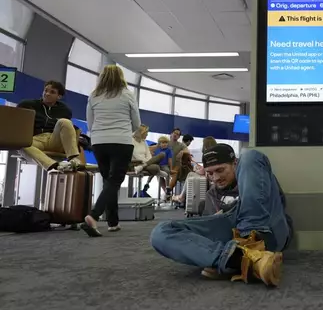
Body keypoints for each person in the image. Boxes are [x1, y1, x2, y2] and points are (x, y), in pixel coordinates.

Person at [150, 144, 292, 287]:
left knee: (251, 156)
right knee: (161, 232)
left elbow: (278, 203)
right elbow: (210, 235)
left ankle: (252, 241)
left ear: (235, 164)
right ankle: (239, 259)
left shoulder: (255, 176)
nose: (216, 178)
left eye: (220, 170)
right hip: (231, 239)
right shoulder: (211, 195)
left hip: (268, 229)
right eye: (210, 173)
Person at [81, 65, 141, 237]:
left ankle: (113, 222)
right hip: (121, 141)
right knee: (114, 180)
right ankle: (93, 215)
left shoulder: (94, 95)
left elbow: (90, 123)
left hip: (99, 142)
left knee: (109, 180)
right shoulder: (128, 94)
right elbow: (137, 123)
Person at [18, 80, 82, 171]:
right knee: (21, 144)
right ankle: (54, 165)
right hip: (37, 139)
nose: (47, 94)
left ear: (59, 96)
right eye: (45, 90)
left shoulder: (65, 110)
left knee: (65, 122)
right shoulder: (28, 105)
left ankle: (73, 158)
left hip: (54, 138)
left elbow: (65, 128)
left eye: (52, 92)